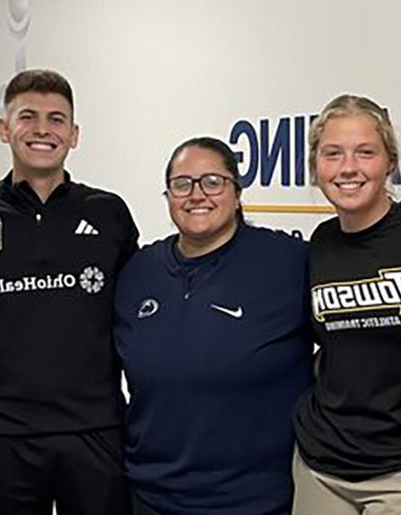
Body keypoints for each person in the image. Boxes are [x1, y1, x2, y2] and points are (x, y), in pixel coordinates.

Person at [0, 69, 138, 515]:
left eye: (57, 119)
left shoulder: (109, 213)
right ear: (4, 129)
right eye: (28, 116)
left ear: (75, 134)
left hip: (96, 432)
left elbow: (139, 317)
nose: (43, 129)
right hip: (2, 435)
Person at [115, 137, 312, 514]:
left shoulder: (288, 262)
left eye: (212, 181)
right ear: (169, 195)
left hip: (257, 500)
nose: (196, 194)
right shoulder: (137, 272)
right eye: (182, 184)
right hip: (152, 496)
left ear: (237, 193)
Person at [292, 94, 401, 514]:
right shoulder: (320, 243)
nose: (348, 168)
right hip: (321, 466)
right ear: (316, 166)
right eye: (332, 154)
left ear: (390, 161)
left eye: (365, 152)